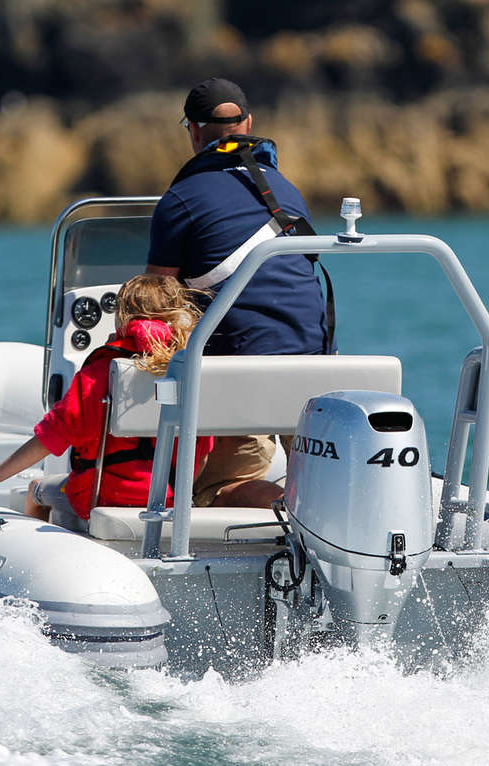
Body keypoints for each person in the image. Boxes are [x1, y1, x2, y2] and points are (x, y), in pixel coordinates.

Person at [145, 77, 331, 509]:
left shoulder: (182, 198)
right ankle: (333, 512)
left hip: (247, 370)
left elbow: (154, 303)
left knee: (215, 489)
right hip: (318, 360)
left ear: (192, 130)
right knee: (316, 460)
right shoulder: (286, 191)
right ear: (249, 123)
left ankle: (295, 509)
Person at [0, 275, 213, 522]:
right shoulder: (191, 373)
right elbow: (200, 456)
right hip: (168, 502)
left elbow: (49, 439)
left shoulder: (100, 372)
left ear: (122, 315)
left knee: (35, 490)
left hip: (100, 499)